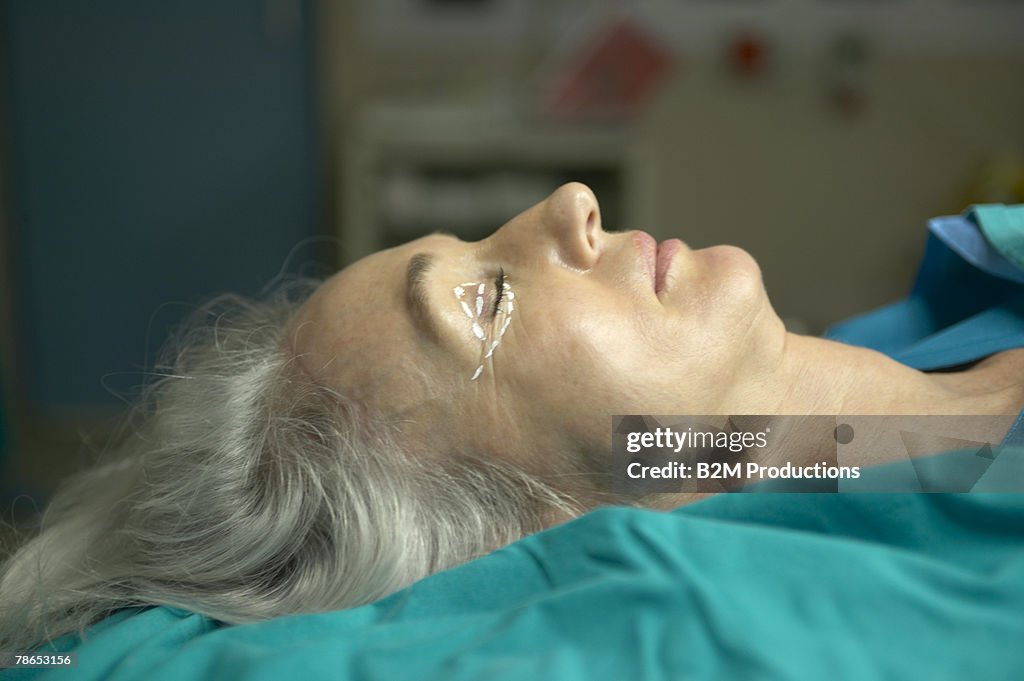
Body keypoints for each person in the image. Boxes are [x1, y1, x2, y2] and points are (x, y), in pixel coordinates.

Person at [1, 183, 1022, 655]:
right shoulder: (954, 592)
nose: (567, 202)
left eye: (478, 242)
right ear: (548, 525)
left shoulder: (967, 296)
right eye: (486, 297)